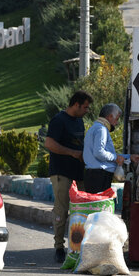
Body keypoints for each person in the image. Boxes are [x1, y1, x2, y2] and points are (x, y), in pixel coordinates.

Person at [44, 90, 93, 263]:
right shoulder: (59, 120)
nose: (87, 110)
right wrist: (71, 152)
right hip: (61, 172)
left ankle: (78, 246)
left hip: (78, 172)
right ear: (76, 104)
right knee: (61, 210)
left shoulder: (79, 121)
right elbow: (49, 143)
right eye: (85, 107)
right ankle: (59, 247)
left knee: (81, 211)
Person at [83, 103, 139, 193]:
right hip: (98, 176)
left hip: (96, 175)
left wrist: (129, 157)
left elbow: (106, 153)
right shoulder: (101, 129)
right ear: (110, 116)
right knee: (99, 205)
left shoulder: (96, 128)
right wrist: (116, 158)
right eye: (117, 118)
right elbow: (99, 152)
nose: (117, 122)